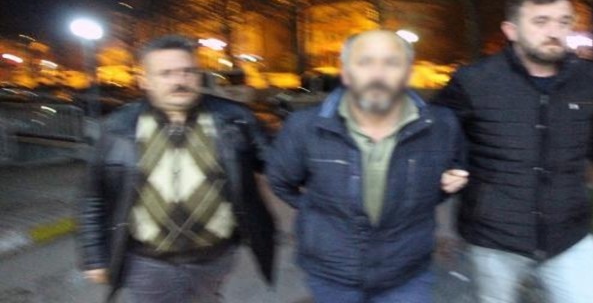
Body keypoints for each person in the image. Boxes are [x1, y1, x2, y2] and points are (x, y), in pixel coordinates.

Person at [434, 0, 593, 303]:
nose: (554, 32)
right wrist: (449, 170)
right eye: (541, 21)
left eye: (564, 22)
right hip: (493, 238)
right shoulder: (474, 81)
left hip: (569, 235)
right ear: (511, 30)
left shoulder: (588, 79)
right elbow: (437, 134)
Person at [267, 30, 469, 303]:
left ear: (408, 73)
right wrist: (322, 212)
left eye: (391, 62)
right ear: (346, 73)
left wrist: (451, 180)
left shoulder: (441, 125)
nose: (378, 73)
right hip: (332, 275)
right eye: (365, 62)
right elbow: (281, 181)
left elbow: (448, 177)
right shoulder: (305, 126)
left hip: (407, 274)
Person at [78, 35, 275, 302]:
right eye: (166, 73)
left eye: (187, 71)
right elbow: (92, 197)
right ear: (145, 81)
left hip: (215, 258)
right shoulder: (118, 128)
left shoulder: (235, 119)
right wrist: (94, 257)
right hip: (148, 262)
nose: (180, 81)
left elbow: (279, 166)